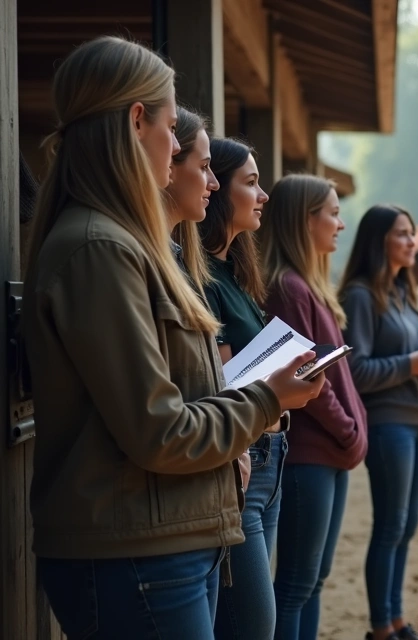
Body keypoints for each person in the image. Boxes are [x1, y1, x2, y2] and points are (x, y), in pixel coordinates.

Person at [22, 35, 323, 639]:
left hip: (161, 543)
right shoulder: (102, 250)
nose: (178, 145)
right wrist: (267, 400)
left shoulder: (125, 246)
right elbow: (159, 431)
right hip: (140, 553)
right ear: (138, 121)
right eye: (169, 122)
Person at [259, 174, 368, 640]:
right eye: (333, 213)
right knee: (296, 585)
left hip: (328, 453)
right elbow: (308, 377)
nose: (340, 224)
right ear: (307, 221)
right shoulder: (289, 289)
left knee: (313, 581)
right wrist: (347, 429)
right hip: (310, 454)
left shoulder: (308, 286)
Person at [338, 205, 418, 640]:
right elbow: (358, 371)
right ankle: (380, 628)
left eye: (412, 234)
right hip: (389, 425)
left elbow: (411, 360)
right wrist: (413, 363)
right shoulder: (361, 296)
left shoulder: (403, 291)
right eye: (402, 234)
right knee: (389, 525)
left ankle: (398, 620)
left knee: (407, 525)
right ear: (378, 241)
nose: (412, 242)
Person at [196, 137, 286, 640]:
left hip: (269, 452)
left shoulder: (234, 272)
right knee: (254, 626)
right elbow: (219, 379)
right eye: (250, 183)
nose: (262, 195)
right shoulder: (204, 277)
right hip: (242, 454)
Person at [164, 105, 219, 291]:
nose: (215, 183)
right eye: (204, 167)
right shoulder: (142, 255)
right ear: (170, 166)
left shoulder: (177, 257)